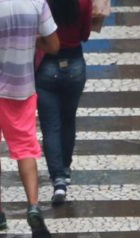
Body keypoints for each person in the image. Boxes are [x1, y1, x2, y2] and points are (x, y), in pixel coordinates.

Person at [0, 0, 60, 238]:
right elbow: (54, 45)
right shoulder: (37, 4)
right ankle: (33, 206)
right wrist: (31, 41)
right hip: (23, 90)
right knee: (26, 148)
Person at [36, 0, 92, 205]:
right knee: (69, 119)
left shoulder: (42, 3)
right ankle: (66, 170)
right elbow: (85, 34)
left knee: (51, 127)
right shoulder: (85, 2)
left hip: (46, 66)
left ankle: (57, 179)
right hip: (75, 65)